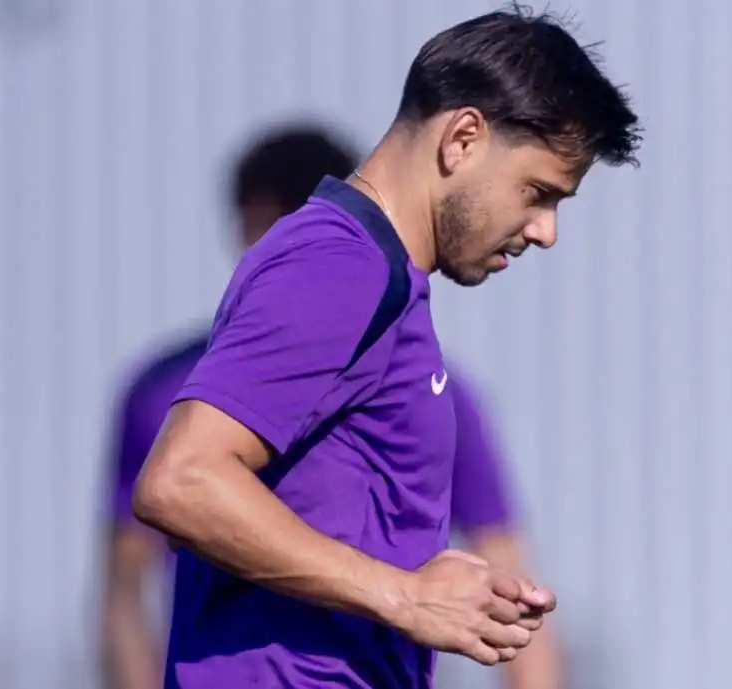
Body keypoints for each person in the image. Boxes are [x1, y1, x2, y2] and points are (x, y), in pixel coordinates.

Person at [131, 6, 641, 689]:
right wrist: (403, 594)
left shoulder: (383, 280)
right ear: (462, 137)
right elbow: (182, 480)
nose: (546, 230)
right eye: (538, 192)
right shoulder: (338, 266)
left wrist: (419, 581)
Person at [101, 125, 567, 689]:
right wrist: (405, 595)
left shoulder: (436, 391)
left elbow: (508, 576)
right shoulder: (165, 391)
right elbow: (135, 566)